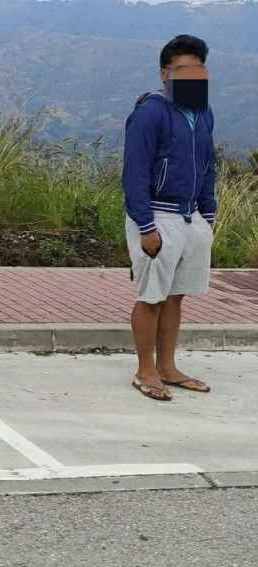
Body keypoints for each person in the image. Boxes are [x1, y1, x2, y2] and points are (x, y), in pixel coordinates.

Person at [121, 34, 216, 401]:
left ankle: (168, 367)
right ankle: (145, 370)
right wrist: (145, 225)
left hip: (191, 217)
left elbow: (208, 166)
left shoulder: (203, 113)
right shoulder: (150, 111)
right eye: (183, 70)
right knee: (151, 297)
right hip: (157, 215)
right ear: (165, 74)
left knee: (176, 297)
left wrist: (208, 215)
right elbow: (135, 172)